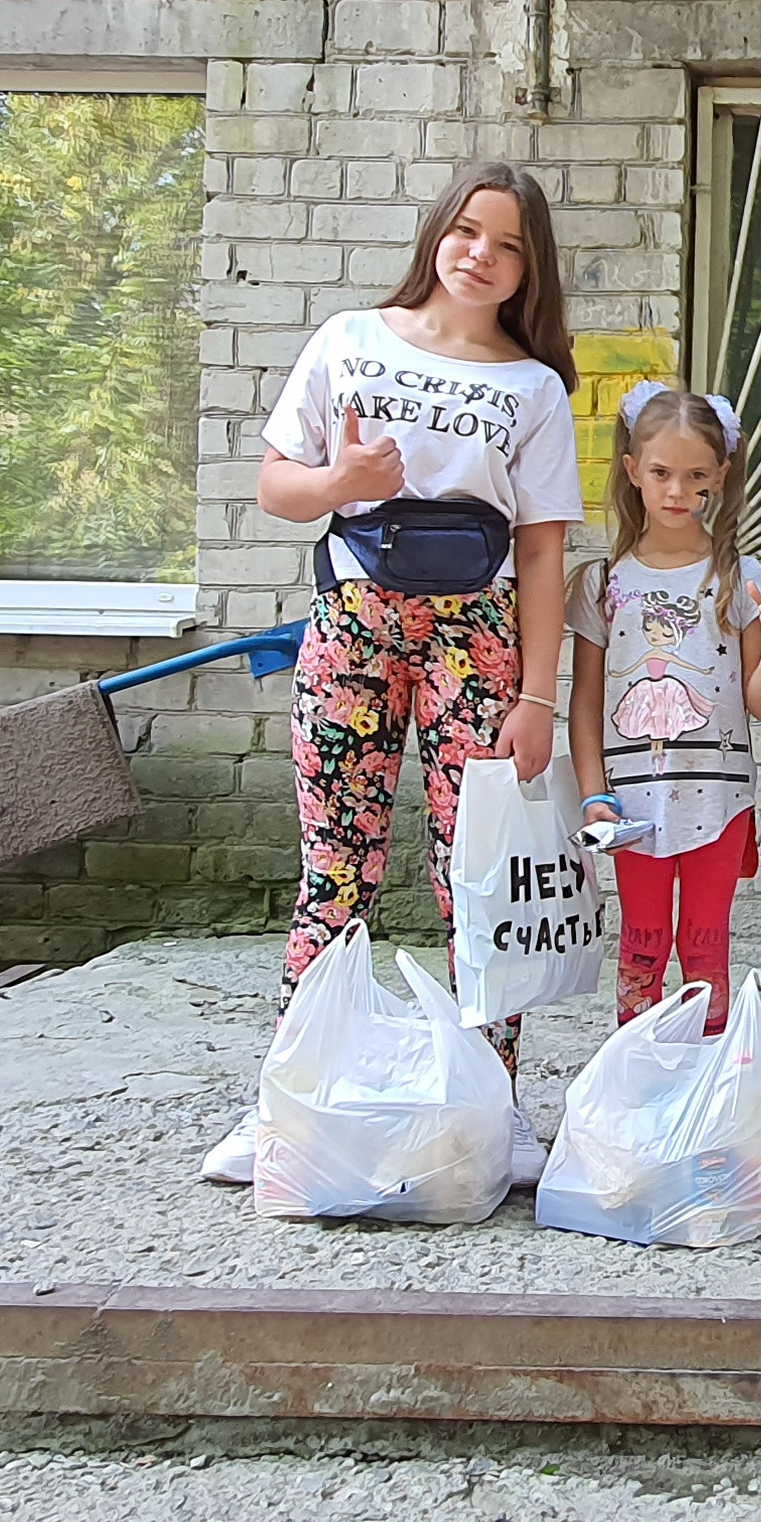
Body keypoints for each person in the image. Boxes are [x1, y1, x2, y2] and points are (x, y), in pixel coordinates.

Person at [243, 161, 585, 1183]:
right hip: (353, 623)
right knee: (333, 871)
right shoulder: (350, 338)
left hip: (476, 640)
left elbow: (543, 555)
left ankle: (495, 1107)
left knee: (478, 878)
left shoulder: (533, 389)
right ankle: (293, 1108)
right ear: (439, 233)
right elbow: (275, 486)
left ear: (531, 270)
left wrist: (536, 698)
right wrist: (339, 483)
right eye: (470, 232)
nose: (483, 254)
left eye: (510, 244)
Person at [570, 382, 761, 1026]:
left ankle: (704, 1074)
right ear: (632, 469)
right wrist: (592, 793)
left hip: (720, 800)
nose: (675, 491)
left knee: (704, 944)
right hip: (630, 803)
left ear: (719, 477)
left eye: (694, 475)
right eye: (661, 472)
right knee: (640, 945)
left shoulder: (739, 576)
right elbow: (586, 703)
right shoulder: (601, 583)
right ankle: (638, 1077)